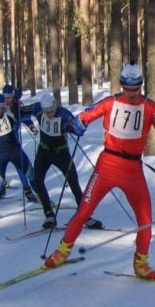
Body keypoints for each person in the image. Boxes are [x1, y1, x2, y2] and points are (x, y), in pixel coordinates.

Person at [42, 63, 155, 277]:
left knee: (145, 218)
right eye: (127, 89)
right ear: (121, 86)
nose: (131, 94)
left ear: (141, 86)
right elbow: (86, 115)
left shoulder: (149, 107)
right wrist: (77, 124)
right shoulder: (111, 102)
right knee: (84, 211)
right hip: (107, 166)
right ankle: (63, 251)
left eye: (136, 89)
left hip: (133, 171)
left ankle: (141, 262)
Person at [30, 93, 101, 230]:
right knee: (37, 181)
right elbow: (22, 110)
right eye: (47, 111)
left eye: (51, 110)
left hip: (61, 153)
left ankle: (85, 217)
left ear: (55, 106)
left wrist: (79, 127)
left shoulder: (63, 114)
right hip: (43, 152)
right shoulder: (38, 109)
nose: (50, 114)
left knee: (74, 183)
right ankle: (49, 214)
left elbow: (76, 128)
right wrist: (15, 106)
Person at [0, 93, 38, 222]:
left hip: (15, 151)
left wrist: (29, 124)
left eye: (2, 107)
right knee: (0, 183)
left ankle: (42, 198)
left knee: (31, 174)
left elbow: (23, 116)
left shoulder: (9, 114)